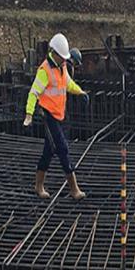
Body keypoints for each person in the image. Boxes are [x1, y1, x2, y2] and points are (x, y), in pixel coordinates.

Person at [23, 33, 88, 200]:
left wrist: (80, 92)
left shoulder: (62, 67)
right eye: (63, 57)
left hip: (59, 115)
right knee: (62, 149)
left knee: (49, 151)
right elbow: (33, 93)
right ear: (55, 54)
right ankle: (74, 189)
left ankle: (38, 186)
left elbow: (67, 83)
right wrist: (29, 114)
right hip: (49, 116)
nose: (65, 60)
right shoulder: (44, 70)